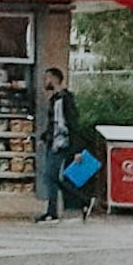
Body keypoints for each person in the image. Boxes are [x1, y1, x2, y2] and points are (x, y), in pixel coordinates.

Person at [34, 65, 82, 223]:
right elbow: (53, 123)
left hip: (62, 143)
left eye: (47, 78)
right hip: (54, 143)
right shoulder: (54, 100)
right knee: (51, 177)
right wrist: (44, 138)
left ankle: (80, 201)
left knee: (51, 176)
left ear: (54, 79)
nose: (44, 81)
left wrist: (77, 149)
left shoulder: (66, 99)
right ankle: (52, 211)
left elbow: (73, 124)